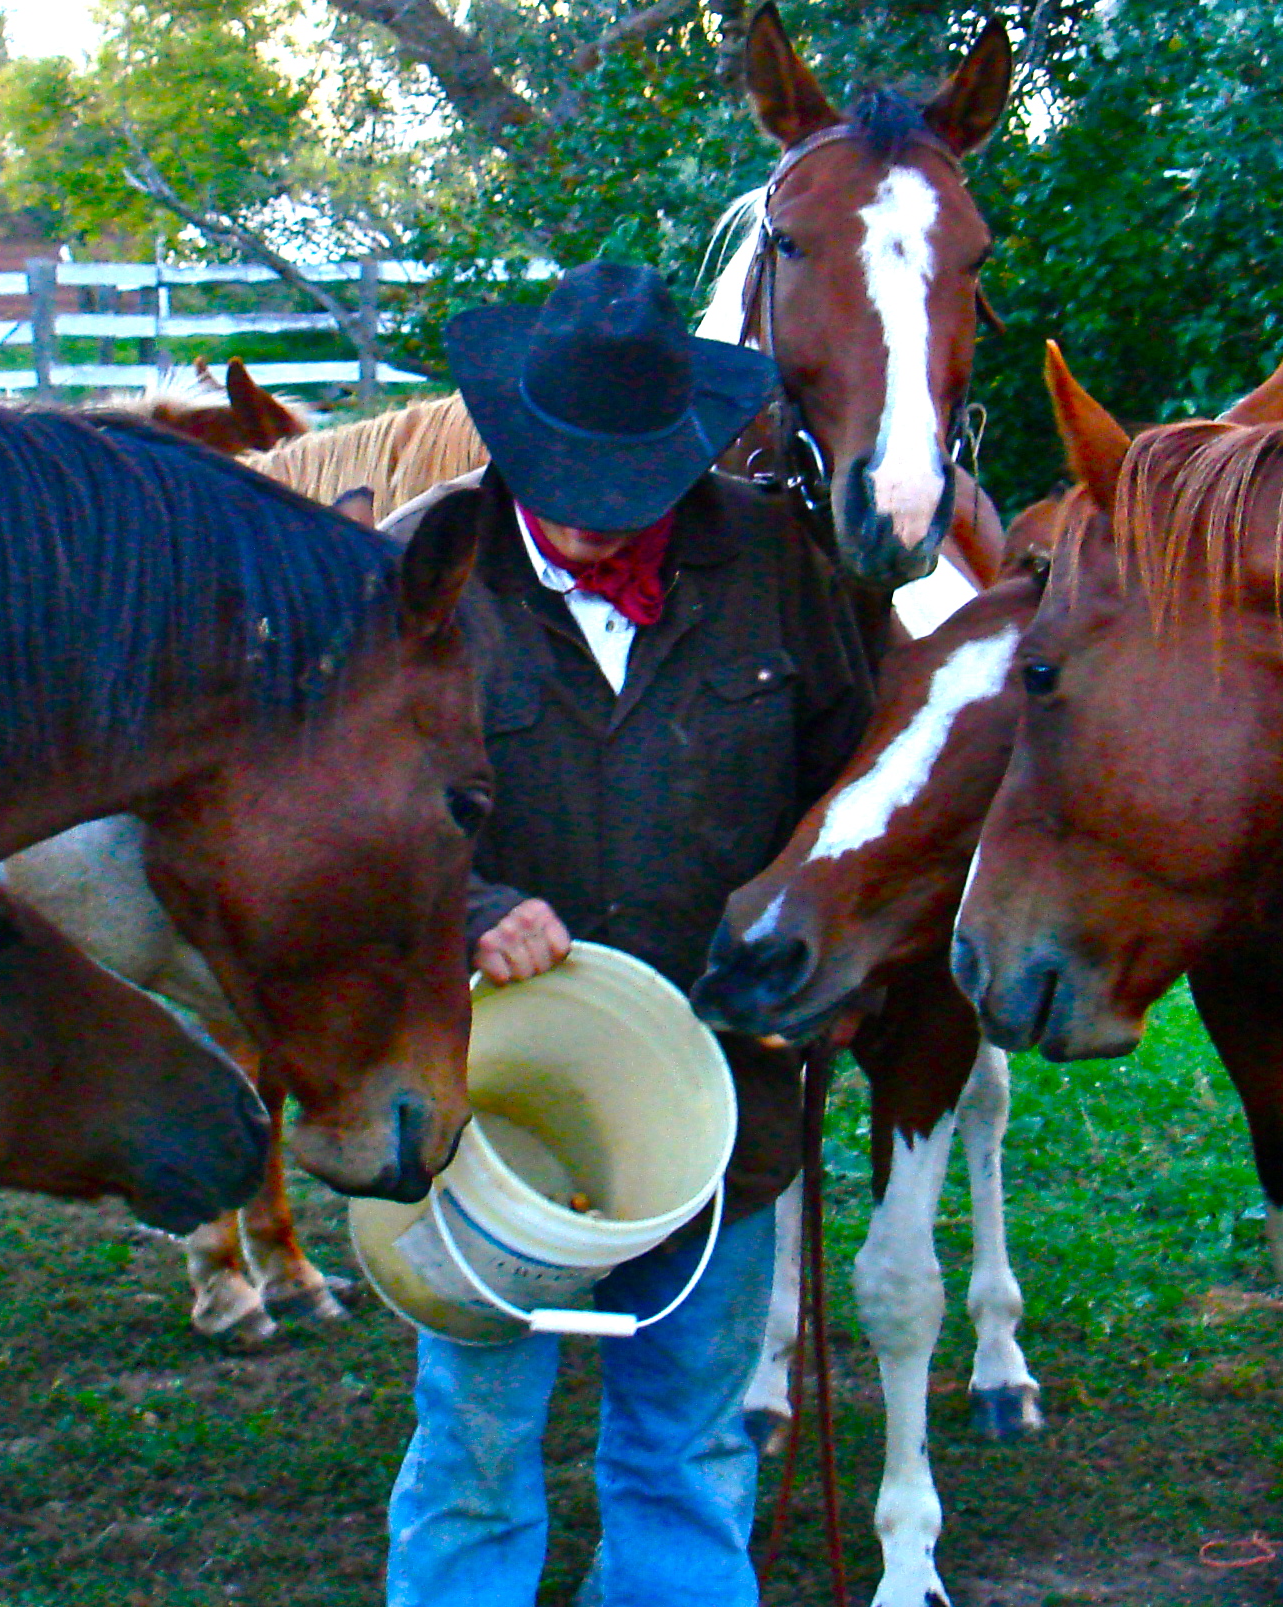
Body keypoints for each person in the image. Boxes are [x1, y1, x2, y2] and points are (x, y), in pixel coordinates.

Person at [380, 262, 874, 1607]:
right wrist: (474, 910)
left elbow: (857, 789)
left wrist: (823, 961)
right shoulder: (423, 569)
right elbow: (355, 824)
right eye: (567, 486)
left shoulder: (779, 564)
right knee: (475, 1442)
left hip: (720, 1094)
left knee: (694, 1444)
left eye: (626, 491)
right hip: (496, 1106)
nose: (594, 524)